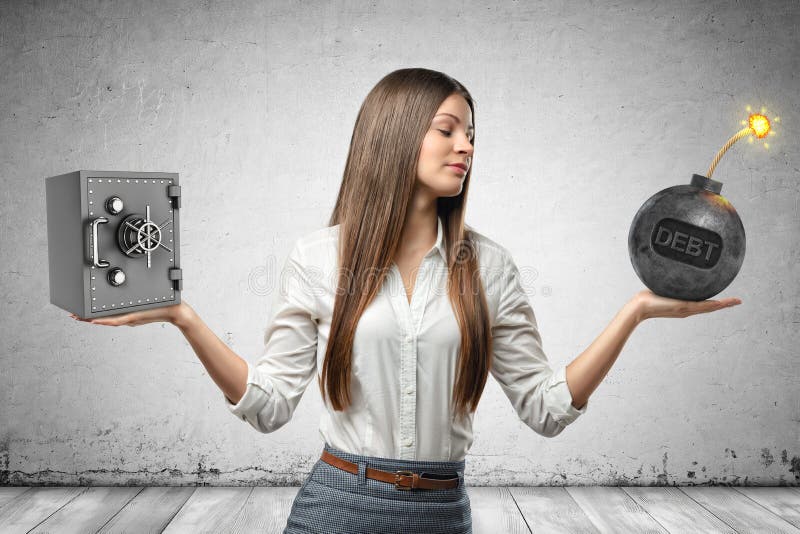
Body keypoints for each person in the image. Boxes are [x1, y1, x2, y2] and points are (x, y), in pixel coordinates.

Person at [71, 67, 742, 534]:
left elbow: (545, 409)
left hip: (442, 511)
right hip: (336, 506)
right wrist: (182, 317)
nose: (466, 147)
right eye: (448, 129)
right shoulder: (317, 258)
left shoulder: (491, 267)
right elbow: (270, 406)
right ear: (395, 134)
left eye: (472, 133)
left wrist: (634, 313)